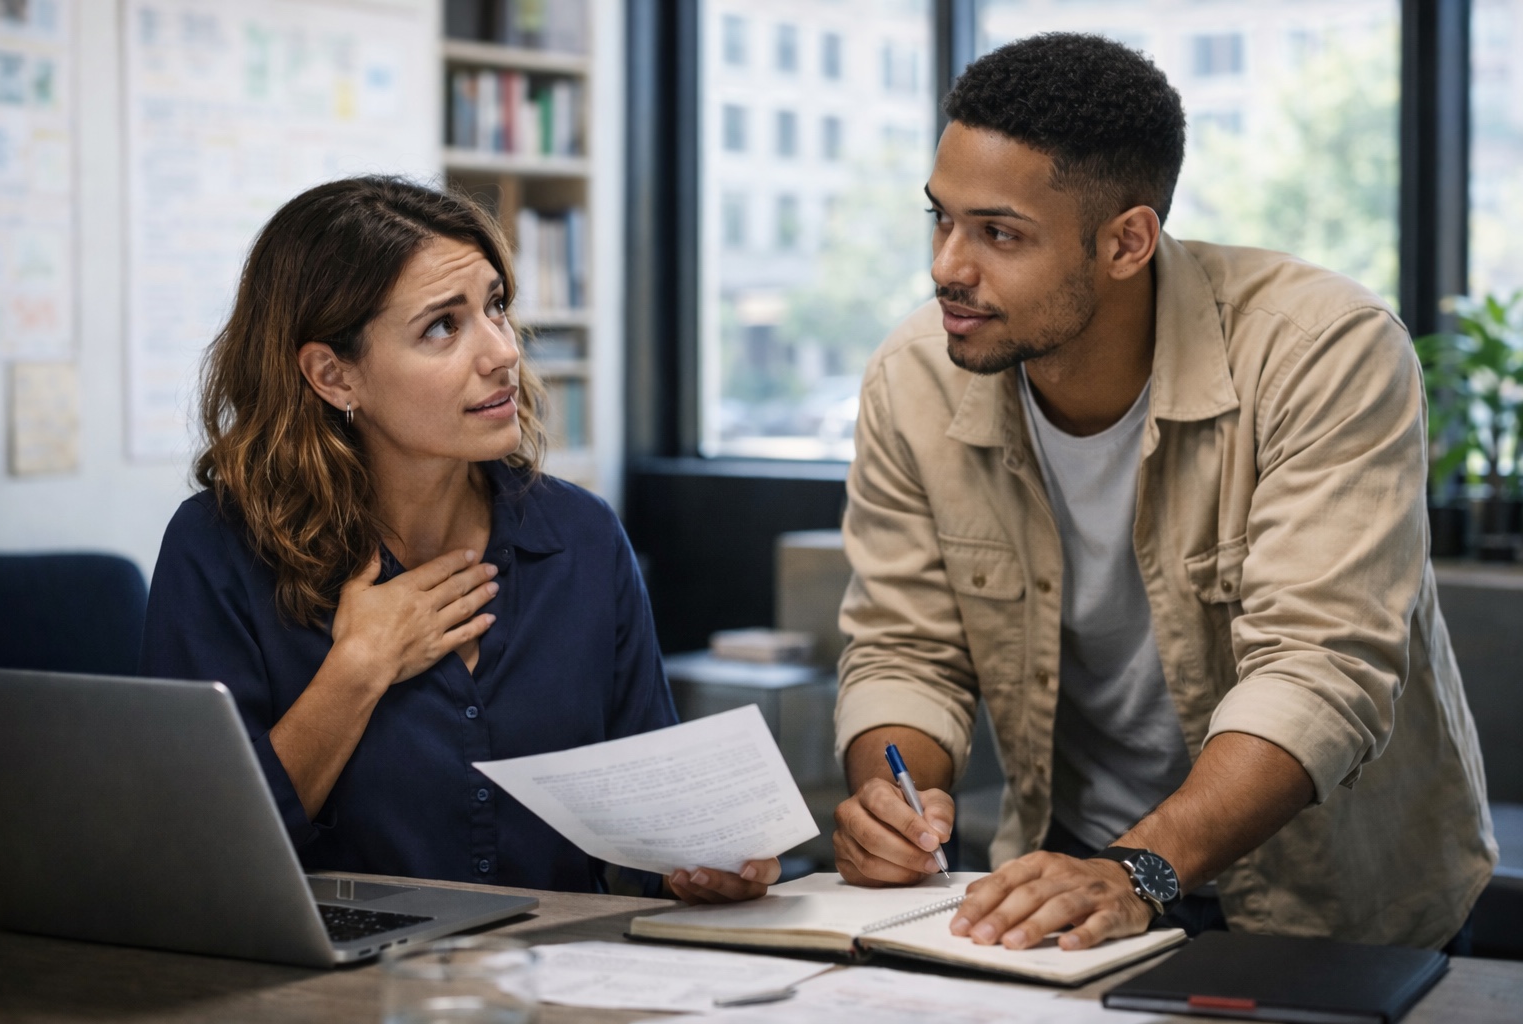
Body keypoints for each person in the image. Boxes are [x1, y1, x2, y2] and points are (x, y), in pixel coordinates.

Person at [830, 34, 1496, 952]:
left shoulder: (1322, 350)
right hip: (1064, 888)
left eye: (998, 233)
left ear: (1126, 241)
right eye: (940, 219)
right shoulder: (912, 378)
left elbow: (1320, 670)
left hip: (1328, 905)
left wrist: (1140, 868)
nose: (947, 265)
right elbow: (905, 648)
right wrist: (891, 801)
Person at [141, 176, 775, 903]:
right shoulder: (219, 550)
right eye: (443, 326)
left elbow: (647, 833)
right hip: (334, 998)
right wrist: (359, 669)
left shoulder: (582, 538)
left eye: (495, 307)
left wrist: (697, 861)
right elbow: (196, 861)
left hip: (564, 984)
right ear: (332, 375)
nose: (502, 352)